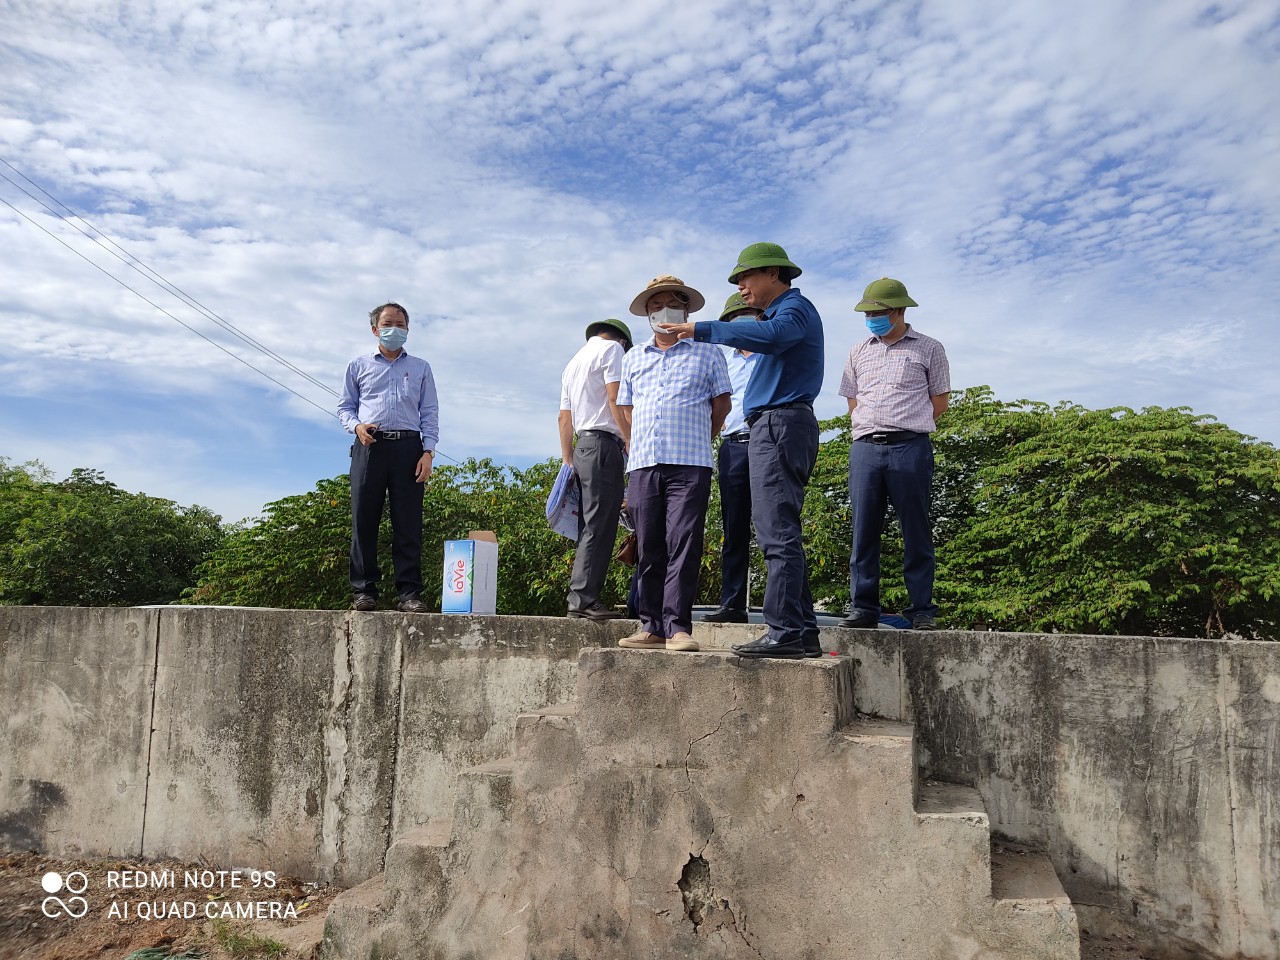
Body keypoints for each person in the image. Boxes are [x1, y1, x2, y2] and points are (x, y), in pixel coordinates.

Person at [663, 243, 824, 659]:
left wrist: (704, 329)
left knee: (776, 531)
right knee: (778, 527)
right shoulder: (784, 311)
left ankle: (785, 630)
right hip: (777, 424)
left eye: (744, 277)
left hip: (779, 423)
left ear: (773, 273)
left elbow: (774, 336)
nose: (740, 286)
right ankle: (803, 631)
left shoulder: (794, 311)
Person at [616, 275, 731, 653]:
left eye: (671, 303)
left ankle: (678, 628)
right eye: (655, 304)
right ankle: (651, 626)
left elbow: (721, 407)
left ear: (685, 310)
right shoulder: (633, 358)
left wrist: (703, 437)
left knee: (684, 542)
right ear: (647, 314)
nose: (663, 310)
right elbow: (625, 410)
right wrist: (635, 448)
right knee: (648, 543)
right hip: (644, 463)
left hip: (692, 462)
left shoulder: (708, 352)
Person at [837, 277, 950, 631]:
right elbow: (852, 400)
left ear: (899, 310)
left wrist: (907, 424)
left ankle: (921, 609)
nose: (872, 317)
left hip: (910, 446)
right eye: (868, 311)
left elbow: (940, 401)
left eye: (879, 311)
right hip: (866, 448)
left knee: (915, 529)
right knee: (863, 530)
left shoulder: (929, 348)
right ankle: (863, 607)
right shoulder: (858, 350)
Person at [337, 302, 439, 613]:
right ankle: (364, 591)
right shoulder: (358, 365)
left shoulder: (421, 367)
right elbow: (344, 407)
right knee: (364, 520)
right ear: (374, 329)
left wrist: (428, 451)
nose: (394, 328)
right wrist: (356, 427)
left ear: (407, 329)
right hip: (370, 447)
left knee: (408, 524)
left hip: (409, 449)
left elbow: (430, 412)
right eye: (388, 323)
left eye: (400, 324)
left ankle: (409, 594)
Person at [559, 319, 633, 620]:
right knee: (600, 524)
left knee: (589, 524)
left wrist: (568, 459)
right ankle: (583, 599)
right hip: (604, 444)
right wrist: (630, 439)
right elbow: (615, 396)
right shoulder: (613, 350)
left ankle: (581, 598)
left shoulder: (573, 361)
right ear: (623, 342)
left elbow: (564, 417)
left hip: (583, 447)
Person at [701, 292, 763, 624]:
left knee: (777, 527)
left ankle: (789, 605)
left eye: (749, 312)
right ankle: (733, 603)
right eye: (736, 316)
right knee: (734, 527)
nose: (743, 319)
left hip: (770, 442)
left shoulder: (773, 354)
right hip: (734, 445)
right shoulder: (722, 359)